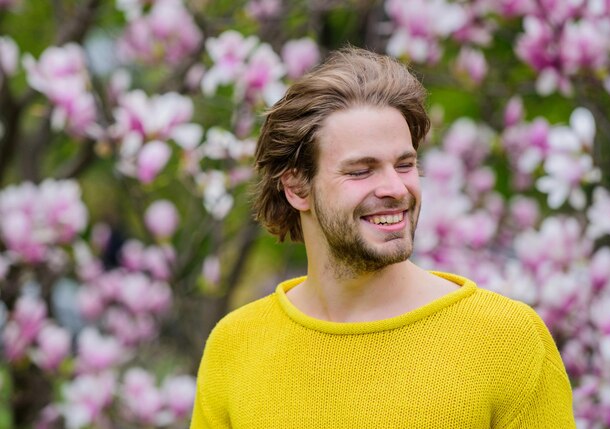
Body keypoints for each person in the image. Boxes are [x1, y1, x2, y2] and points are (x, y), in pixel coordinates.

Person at [190, 47, 575, 428]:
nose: (396, 187)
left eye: (405, 165)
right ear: (297, 188)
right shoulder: (234, 347)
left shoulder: (508, 341)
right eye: (361, 171)